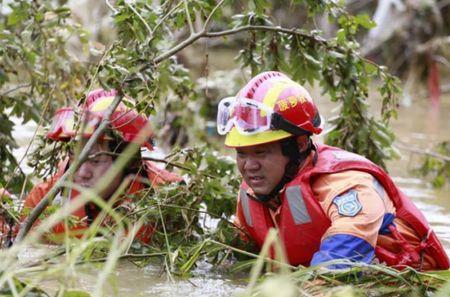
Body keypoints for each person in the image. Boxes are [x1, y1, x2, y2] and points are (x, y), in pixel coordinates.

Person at [217, 71, 449, 270]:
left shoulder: (345, 184)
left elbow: (339, 263)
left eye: (261, 153)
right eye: (242, 153)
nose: (249, 166)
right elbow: (236, 255)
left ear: (298, 145)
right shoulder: (253, 192)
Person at [17, 89, 181, 243]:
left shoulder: (168, 202)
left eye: (95, 160)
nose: (82, 172)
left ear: (131, 161)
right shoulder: (44, 201)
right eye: (75, 157)